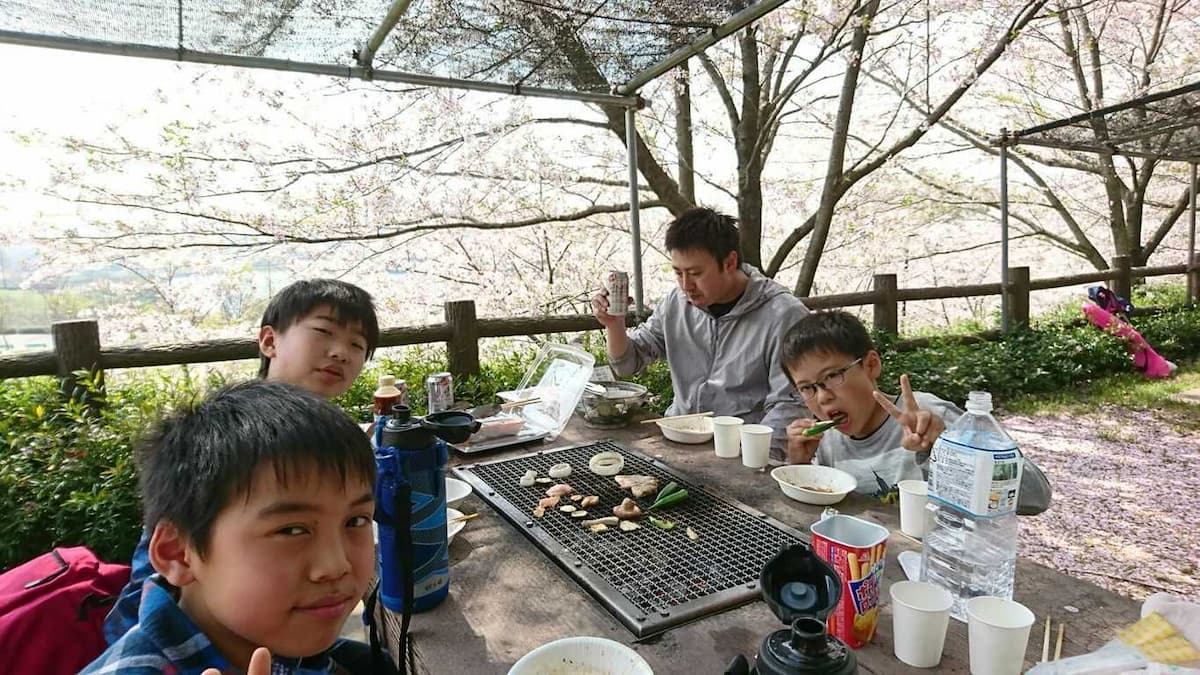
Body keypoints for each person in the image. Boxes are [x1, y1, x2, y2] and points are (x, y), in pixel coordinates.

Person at [105, 279, 381, 643]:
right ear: (269, 341)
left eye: (357, 345)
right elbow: (147, 595)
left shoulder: (325, 437)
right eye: (323, 332)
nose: (341, 352)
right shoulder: (232, 442)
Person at [83, 381, 378, 674]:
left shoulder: (311, 653)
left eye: (356, 521)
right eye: (292, 530)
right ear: (178, 553)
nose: (336, 565)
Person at [780, 310, 1050, 514]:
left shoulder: (931, 416)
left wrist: (948, 449)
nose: (823, 397)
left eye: (832, 376)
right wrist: (800, 468)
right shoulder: (829, 441)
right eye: (807, 388)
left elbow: (1036, 496)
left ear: (871, 365)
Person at [592, 207, 808, 454]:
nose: (686, 286)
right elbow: (627, 364)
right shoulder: (676, 303)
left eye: (695, 273)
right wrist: (614, 324)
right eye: (678, 273)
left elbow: (789, 404)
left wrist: (752, 462)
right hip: (679, 443)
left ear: (729, 262)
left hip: (742, 453)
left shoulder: (783, 315)